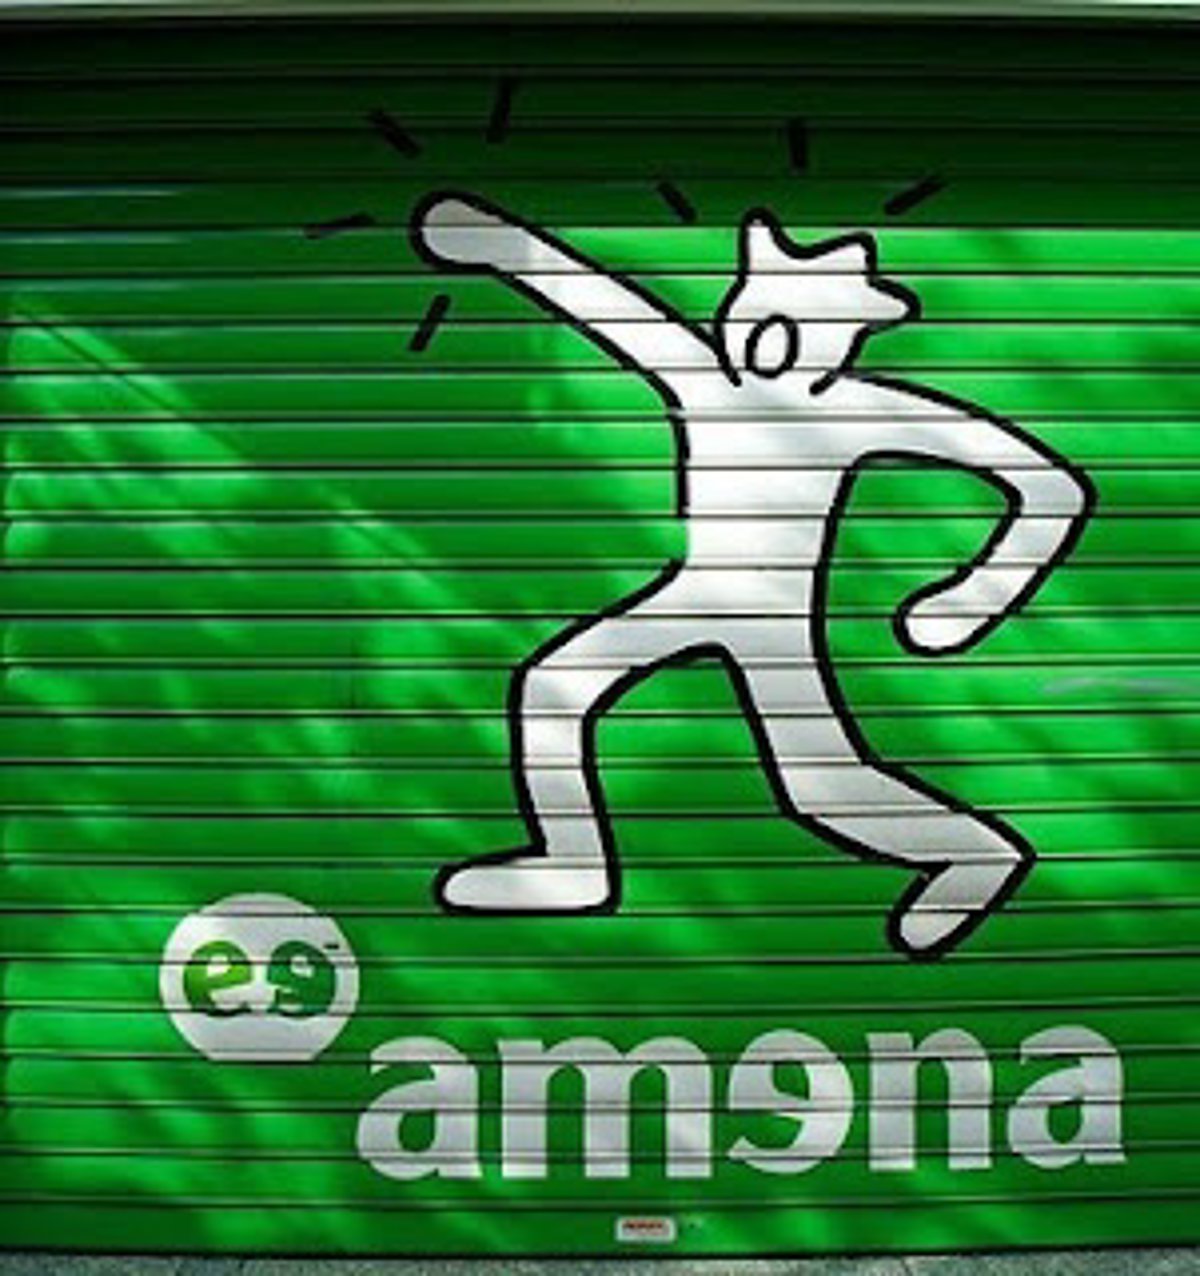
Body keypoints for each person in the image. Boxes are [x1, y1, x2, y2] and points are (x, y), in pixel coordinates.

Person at [410, 191, 1094, 958]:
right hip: (696, 592)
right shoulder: (706, 376)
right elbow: (605, 304)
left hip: (773, 617)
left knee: (817, 786)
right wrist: (501, 244)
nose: (771, 340)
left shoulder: (859, 410)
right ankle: (573, 864)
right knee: (554, 688)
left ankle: (976, 855)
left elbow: (1050, 487)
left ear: (845, 338)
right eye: (764, 313)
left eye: (802, 325)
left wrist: (974, 597)